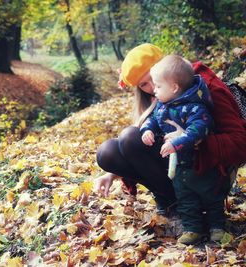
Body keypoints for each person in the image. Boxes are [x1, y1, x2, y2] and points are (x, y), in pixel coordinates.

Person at [95, 43, 246, 219]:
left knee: (129, 136)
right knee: (108, 151)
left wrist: (191, 139)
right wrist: (112, 174)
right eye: (144, 84)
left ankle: (194, 208)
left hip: (208, 173)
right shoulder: (157, 98)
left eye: (153, 77)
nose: (152, 88)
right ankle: (175, 207)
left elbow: (240, 142)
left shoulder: (202, 84)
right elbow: (140, 147)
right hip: (177, 169)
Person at [140, 54, 227, 245]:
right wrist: (147, 130)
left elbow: (198, 130)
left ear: (174, 87)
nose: (154, 90)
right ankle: (192, 228)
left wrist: (176, 143)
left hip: (200, 163)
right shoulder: (162, 106)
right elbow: (153, 120)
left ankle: (217, 227)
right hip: (179, 165)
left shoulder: (195, 108)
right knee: (185, 198)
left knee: (211, 196)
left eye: (158, 86)